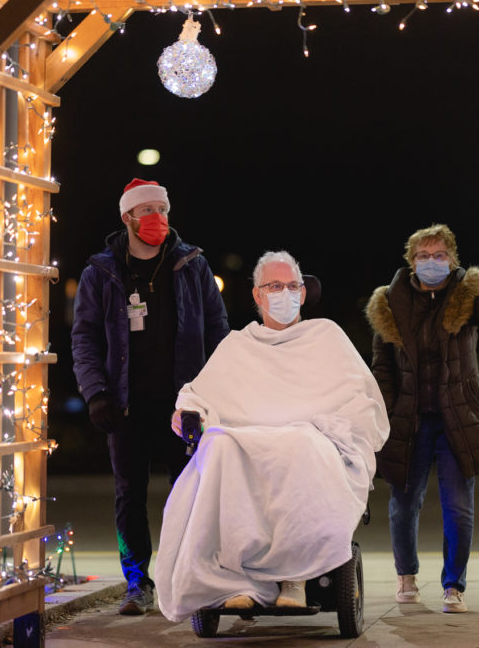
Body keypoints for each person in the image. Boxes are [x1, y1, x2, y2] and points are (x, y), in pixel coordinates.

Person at [154, 251, 389, 622]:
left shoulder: (325, 336)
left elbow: (361, 399)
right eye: (275, 286)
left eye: (292, 286)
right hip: (247, 440)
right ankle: (232, 579)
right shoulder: (238, 345)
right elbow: (199, 395)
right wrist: (189, 414)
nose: (285, 293)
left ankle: (293, 577)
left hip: (309, 437)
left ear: (303, 292)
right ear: (257, 296)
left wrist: (332, 428)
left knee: (301, 444)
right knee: (218, 446)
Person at [71, 178, 230, 615]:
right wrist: (95, 393)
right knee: (130, 496)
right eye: (148, 210)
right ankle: (137, 583)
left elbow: (219, 332)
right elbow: (84, 337)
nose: (157, 217)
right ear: (127, 218)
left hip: (185, 407)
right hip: (125, 407)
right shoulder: (101, 273)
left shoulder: (192, 265)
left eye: (163, 208)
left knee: (193, 492)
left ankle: (191, 578)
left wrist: (218, 392)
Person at [364, 223, 479, 614]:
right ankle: (406, 576)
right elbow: (382, 366)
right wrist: (388, 413)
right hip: (409, 420)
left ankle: (453, 586)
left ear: (452, 259)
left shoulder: (467, 294)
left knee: (458, 506)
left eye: (439, 255)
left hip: (456, 417)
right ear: (412, 262)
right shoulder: (389, 304)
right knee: (403, 504)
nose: (432, 262)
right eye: (424, 256)